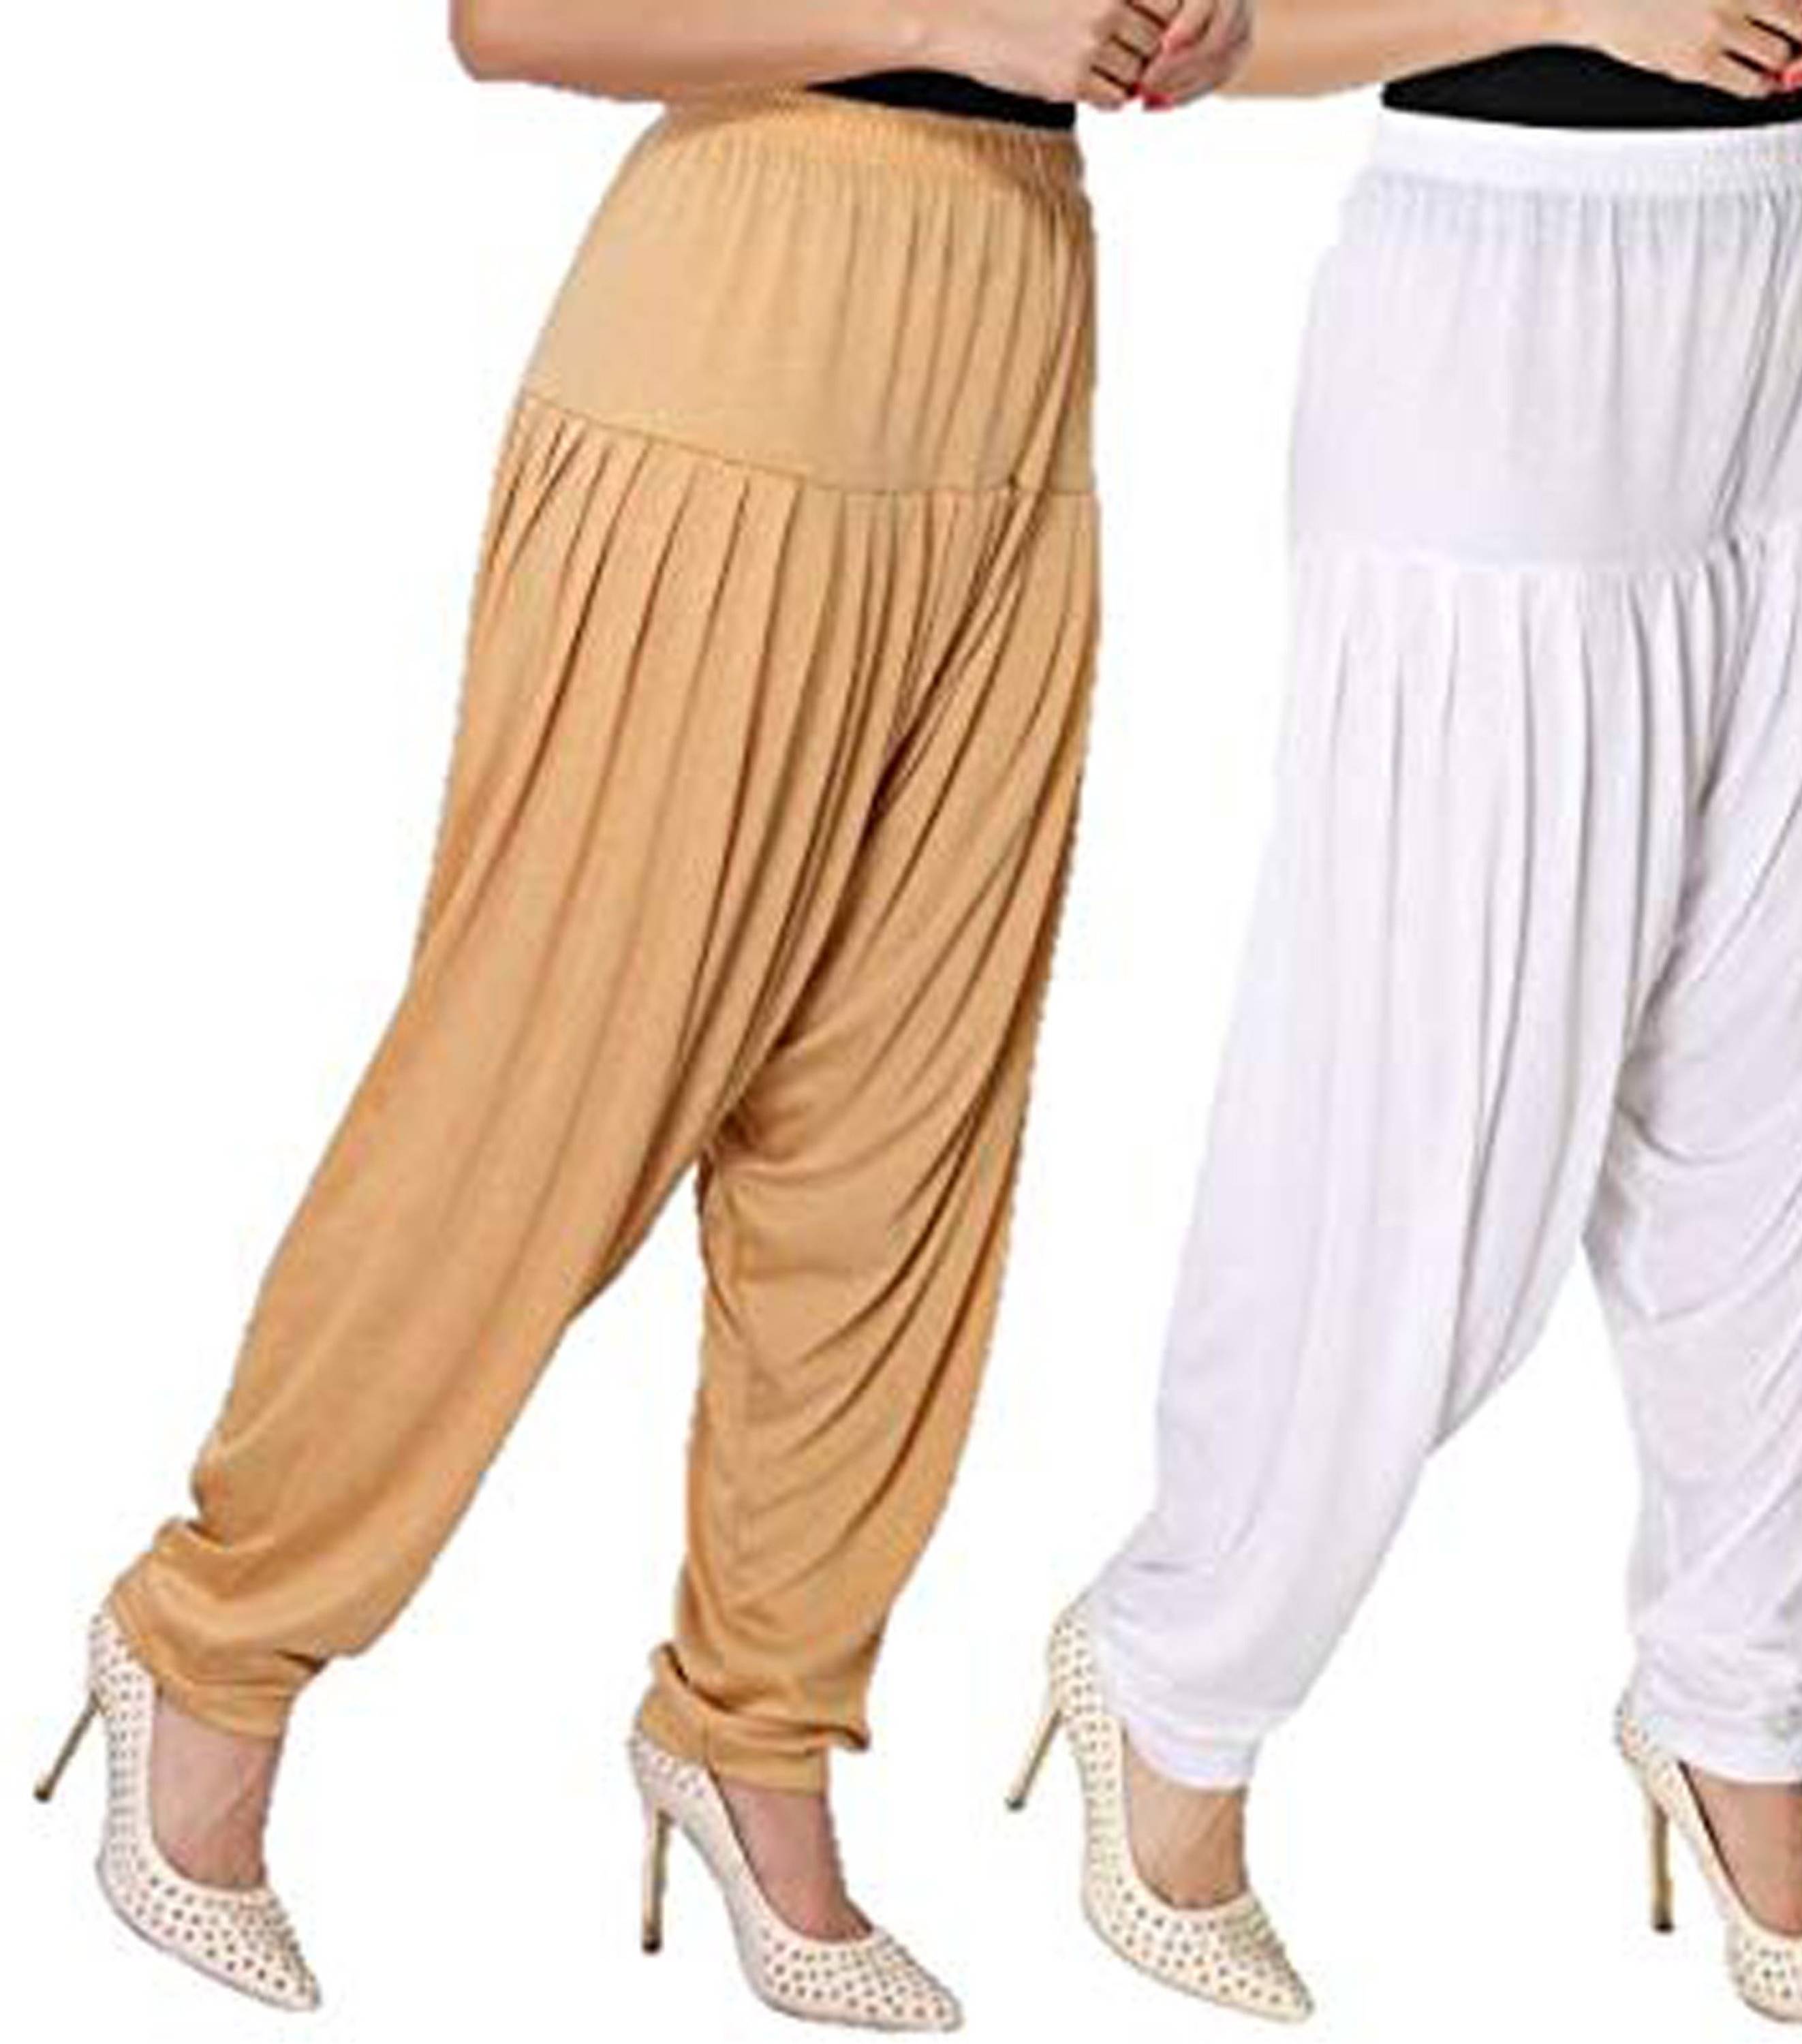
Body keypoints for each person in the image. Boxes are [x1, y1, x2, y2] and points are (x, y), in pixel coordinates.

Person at [33, 0, 1250, 2028]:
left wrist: (1185, 40)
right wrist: (952, 21)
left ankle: (757, 1730)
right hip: (745, 328)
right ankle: (211, 1648)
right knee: (548, 1094)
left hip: (1023, 344)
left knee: (898, 1139)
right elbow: (507, 22)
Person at [1008, 0, 1802, 2028]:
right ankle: (1178, 1673)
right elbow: (1198, 40)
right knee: (1436, 1109)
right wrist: (1579, 8)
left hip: (1786, 278)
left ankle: (1738, 1719)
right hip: (1499, 304)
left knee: (1787, 1091)